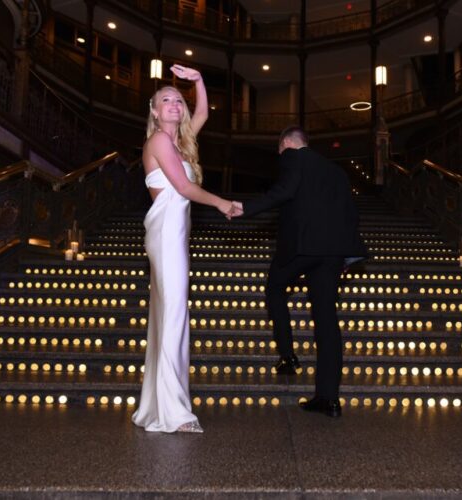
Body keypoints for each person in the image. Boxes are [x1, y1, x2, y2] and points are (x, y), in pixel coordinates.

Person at [232, 126, 366, 417]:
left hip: (302, 248)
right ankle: (328, 398)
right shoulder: (337, 171)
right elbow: (351, 213)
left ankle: (288, 355)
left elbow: (285, 190)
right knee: (327, 321)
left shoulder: (293, 156)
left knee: (274, 288)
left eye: (280, 150)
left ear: (286, 144)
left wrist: (245, 208)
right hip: (332, 253)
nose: (281, 156)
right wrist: (346, 255)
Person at [132, 65, 237, 433]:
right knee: (174, 316)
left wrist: (199, 82)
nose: (175, 105)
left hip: (176, 234)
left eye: (179, 100)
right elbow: (183, 188)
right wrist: (222, 203)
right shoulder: (159, 141)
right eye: (166, 100)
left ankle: (162, 407)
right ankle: (172, 413)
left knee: (172, 317)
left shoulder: (179, 141)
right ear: (155, 111)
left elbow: (204, 113)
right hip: (165, 234)